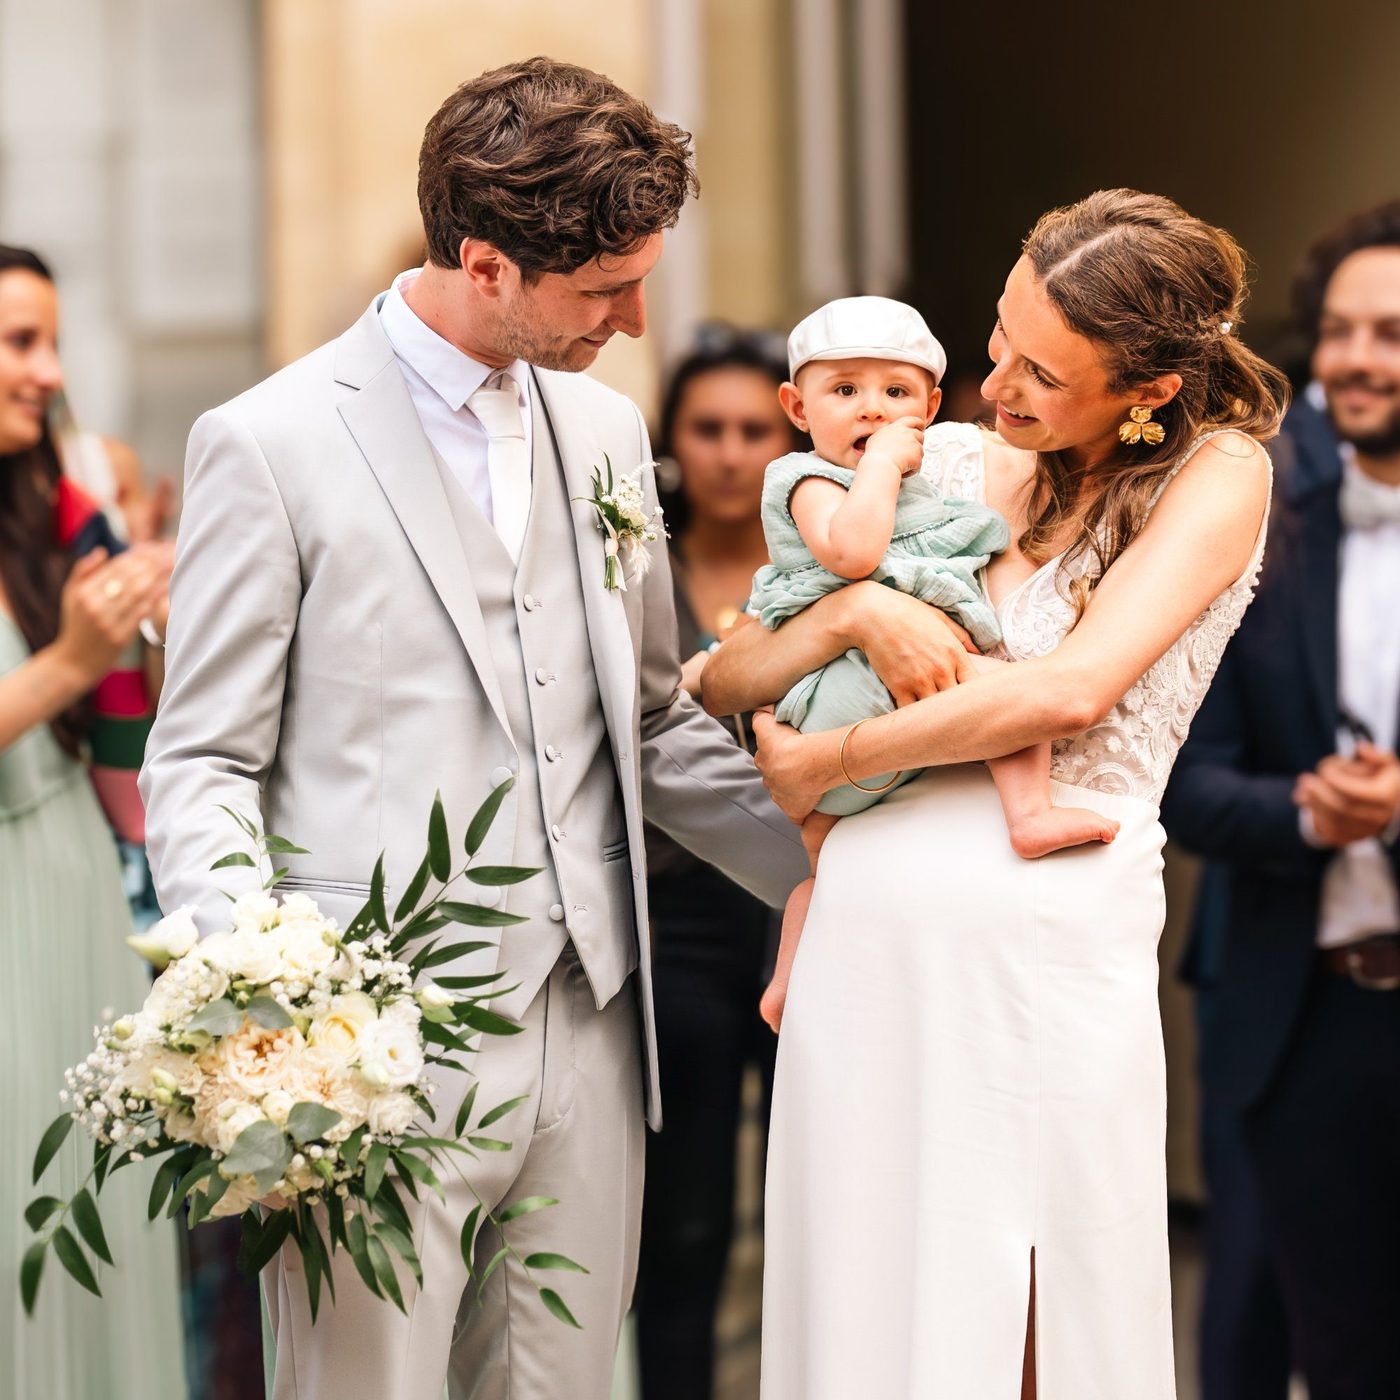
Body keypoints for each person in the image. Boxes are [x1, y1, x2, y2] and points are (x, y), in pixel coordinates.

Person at [139, 58, 808, 1400]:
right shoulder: (266, 443)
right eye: (605, 290)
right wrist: (261, 1009)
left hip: (600, 1035)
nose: (634, 320)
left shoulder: (614, 430)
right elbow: (203, 756)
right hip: (369, 1051)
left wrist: (837, 862)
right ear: (487, 260)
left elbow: (652, 719)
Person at [702, 189, 1283, 1398]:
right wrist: (858, 609)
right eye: (998, 342)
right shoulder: (943, 459)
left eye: (1041, 373)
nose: (995, 383)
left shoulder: (1216, 472)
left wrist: (832, 761)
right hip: (864, 934)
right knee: (859, 1292)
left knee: (1025, 1295)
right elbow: (732, 667)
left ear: (1146, 392)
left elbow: (1067, 689)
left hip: (1039, 939)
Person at [1162, 200, 1400, 1400]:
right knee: (1324, 1349)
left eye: (1390, 333)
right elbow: (1187, 787)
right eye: (1341, 330)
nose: (1356, 358)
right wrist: (1308, 813)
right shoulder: (1257, 538)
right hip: (1302, 1020)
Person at [752, 296, 1118, 1031]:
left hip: (882, 714)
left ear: (932, 406)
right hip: (849, 683)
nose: (871, 412)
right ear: (797, 406)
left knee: (824, 857)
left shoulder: (923, 487)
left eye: (896, 394)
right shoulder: (810, 481)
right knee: (1012, 696)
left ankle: (790, 970)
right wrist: (885, 466)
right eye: (844, 391)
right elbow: (852, 555)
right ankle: (1030, 811)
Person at [0, 244, 185, 1397]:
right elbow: (64, 675)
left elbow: (125, 721)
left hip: (68, 876)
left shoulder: (47, 508)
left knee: (95, 1213)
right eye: (21, 343)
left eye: (51, 342)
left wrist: (146, 619)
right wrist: (72, 656)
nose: (47, 371)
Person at [634, 328, 798, 1400]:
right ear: (672, 437)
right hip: (678, 914)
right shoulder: (632, 559)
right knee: (681, 1223)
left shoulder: (830, 561)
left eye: (753, 428)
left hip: (807, 908)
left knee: (817, 1204)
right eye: (707, 428)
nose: (730, 452)